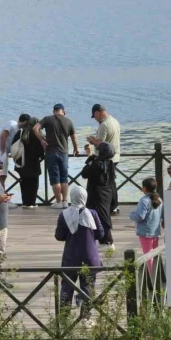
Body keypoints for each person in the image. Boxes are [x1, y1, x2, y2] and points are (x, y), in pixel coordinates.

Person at [54, 186, 103, 327]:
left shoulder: (64, 214)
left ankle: (63, 319)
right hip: (90, 257)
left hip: (71, 257)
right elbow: (100, 234)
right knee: (88, 287)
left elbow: (59, 236)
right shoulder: (92, 214)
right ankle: (86, 318)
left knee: (66, 288)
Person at [34, 103, 80, 209]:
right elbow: (74, 138)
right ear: (63, 111)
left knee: (55, 178)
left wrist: (42, 140)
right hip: (64, 153)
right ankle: (65, 201)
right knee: (64, 177)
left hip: (51, 152)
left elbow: (35, 129)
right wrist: (76, 149)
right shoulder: (69, 121)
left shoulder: (47, 119)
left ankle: (58, 202)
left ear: (53, 111)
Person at [87, 104, 121, 213]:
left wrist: (92, 140)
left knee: (105, 184)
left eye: (94, 116)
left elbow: (100, 143)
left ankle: (109, 206)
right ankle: (114, 205)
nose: (95, 119)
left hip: (106, 159)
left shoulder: (103, 125)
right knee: (112, 182)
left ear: (97, 113)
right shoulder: (115, 121)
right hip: (115, 156)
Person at [81, 142, 114, 249]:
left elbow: (84, 174)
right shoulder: (110, 163)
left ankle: (106, 241)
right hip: (107, 192)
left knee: (97, 216)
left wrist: (90, 161)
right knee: (104, 216)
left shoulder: (97, 164)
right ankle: (103, 240)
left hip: (96, 194)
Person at [129, 177, 163, 274]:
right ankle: (157, 274)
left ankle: (152, 277)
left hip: (145, 232)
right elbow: (162, 215)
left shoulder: (144, 201)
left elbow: (140, 216)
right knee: (154, 255)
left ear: (144, 188)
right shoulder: (159, 199)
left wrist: (131, 215)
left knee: (148, 255)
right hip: (156, 231)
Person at [14, 114, 44, 208]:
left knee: (24, 183)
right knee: (33, 183)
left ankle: (25, 202)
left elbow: (13, 145)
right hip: (33, 162)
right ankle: (32, 203)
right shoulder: (36, 134)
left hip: (21, 162)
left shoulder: (19, 132)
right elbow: (41, 149)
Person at [0, 119, 19, 189]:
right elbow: (3, 136)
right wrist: (3, 152)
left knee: (3, 176)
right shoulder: (12, 124)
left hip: (5, 153)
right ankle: (1, 196)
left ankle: (2, 195)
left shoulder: (20, 130)